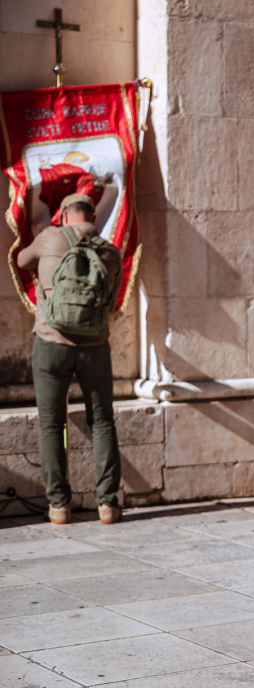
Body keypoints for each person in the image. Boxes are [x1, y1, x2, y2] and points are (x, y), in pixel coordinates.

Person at [16, 193, 123, 525]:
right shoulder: (110, 251)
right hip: (95, 347)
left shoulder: (49, 237)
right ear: (93, 216)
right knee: (102, 421)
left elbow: (21, 261)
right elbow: (113, 301)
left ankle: (59, 506)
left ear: (63, 215)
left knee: (52, 424)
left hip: (51, 344)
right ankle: (107, 504)